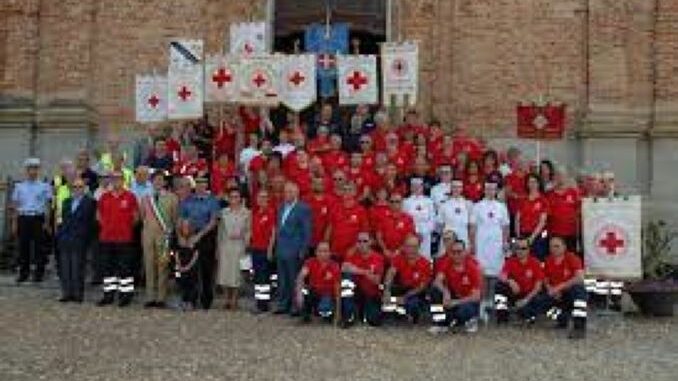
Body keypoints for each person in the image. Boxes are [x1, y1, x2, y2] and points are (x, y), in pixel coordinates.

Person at [96, 171, 139, 307]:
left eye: (119, 179)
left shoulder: (130, 196)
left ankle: (125, 296)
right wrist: (107, 226)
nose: (116, 182)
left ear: (123, 181)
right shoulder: (104, 196)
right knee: (108, 268)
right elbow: (98, 215)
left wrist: (125, 227)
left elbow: (136, 217)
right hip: (106, 238)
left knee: (125, 268)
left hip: (124, 239)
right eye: (113, 179)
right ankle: (108, 295)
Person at [178, 176, 221, 310]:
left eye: (204, 182)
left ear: (207, 184)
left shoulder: (212, 200)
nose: (201, 185)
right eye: (198, 183)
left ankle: (206, 301)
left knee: (206, 270)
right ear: (195, 185)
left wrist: (199, 235)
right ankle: (190, 299)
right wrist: (181, 236)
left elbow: (213, 221)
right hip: (189, 236)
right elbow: (181, 219)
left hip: (206, 237)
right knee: (190, 271)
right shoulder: (187, 201)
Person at [470, 181, 509, 315]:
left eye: (493, 189)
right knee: (483, 274)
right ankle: (482, 302)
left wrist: (505, 242)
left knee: (495, 274)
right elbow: (473, 227)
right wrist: (473, 244)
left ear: (496, 191)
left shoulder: (501, 207)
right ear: (484, 190)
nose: (490, 191)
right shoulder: (477, 206)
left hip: (496, 244)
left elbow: (505, 226)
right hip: (481, 243)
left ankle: (492, 302)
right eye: (487, 189)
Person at [140, 170, 178, 308]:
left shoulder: (172, 198)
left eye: (161, 179)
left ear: (165, 181)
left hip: (164, 236)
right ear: (151, 181)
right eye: (155, 179)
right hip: (148, 235)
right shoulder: (145, 198)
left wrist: (171, 234)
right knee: (149, 265)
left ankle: (161, 297)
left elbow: (175, 218)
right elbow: (142, 217)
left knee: (162, 266)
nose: (158, 182)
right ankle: (150, 297)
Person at [10, 158, 52, 283]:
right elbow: (15, 206)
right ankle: (24, 273)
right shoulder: (19, 186)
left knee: (39, 248)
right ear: (26, 170)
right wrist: (14, 222)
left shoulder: (44, 186)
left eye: (35, 169)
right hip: (23, 218)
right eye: (30, 169)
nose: (32, 171)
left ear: (38, 170)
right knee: (23, 247)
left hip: (38, 218)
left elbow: (48, 206)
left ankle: (39, 274)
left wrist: (47, 222)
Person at [273, 182, 312, 315]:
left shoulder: (303, 208)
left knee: (294, 279)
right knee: (282, 279)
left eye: (290, 192)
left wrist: (303, 249)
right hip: (281, 249)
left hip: (295, 249)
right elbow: (279, 228)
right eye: (286, 192)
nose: (287, 194)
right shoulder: (281, 207)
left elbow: (306, 231)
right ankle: (283, 304)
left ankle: (296, 305)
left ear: (296, 193)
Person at [55, 177, 96, 302]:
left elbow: (91, 223)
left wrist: (86, 238)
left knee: (77, 268)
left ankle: (78, 294)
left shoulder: (90, 202)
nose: (77, 189)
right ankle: (66, 293)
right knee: (65, 268)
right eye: (75, 187)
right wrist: (61, 235)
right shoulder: (66, 202)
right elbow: (63, 220)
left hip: (80, 239)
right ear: (71, 189)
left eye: (80, 187)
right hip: (65, 238)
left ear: (84, 189)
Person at [429, 239, 482, 334]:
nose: (456, 255)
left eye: (459, 252)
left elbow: (476, 297)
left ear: (465, 252)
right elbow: (437, 281)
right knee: (435, 290)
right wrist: (445, 292)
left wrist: (456, 302)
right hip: (453, 297)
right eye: (453, 252)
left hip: (467, 301)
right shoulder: (448, 262)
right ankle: (440, 323)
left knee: (465, 310)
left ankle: (470, 321)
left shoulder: (473, 268)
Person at [543, 236, 588, 339]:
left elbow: (579, 278)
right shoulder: (548, 260)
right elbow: (545, 278)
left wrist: (559, 287)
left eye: (557, 246)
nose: (553, 249)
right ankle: (562, 318)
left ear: (564, 247)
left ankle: (579, 327)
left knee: (579, 291)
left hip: (569, 292)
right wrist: (550, 289)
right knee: (538, 303)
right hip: (556, 294)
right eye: (551, 247)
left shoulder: (572, 258)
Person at [494, 238, 546, 324]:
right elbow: (502, 275)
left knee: (528, 310)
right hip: (516, 294)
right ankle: (502, 315)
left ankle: (525, 313)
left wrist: (526, 300)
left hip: (530, 296)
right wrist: (510, 281)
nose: (520, 251)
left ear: (529, 250)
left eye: (523, 248)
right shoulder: (511, 261)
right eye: (517, 248)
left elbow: (538, 287)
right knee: (499, 286)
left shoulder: (535, 263)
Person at [382, 234, 432, 324]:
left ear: (419, 247)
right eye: (408, 246)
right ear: (404, 247)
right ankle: (395, 313)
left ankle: (415, 314)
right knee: (384, 293)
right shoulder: (399, 258)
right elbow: (390, 273)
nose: (411, 249)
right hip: (402, 288)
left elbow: (422, 287)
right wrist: (387, 289)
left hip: (416, 292)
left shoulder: (425, 263)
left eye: (414, 247)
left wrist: (405, 297)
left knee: (413, 304)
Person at [216, 188, 251, 310]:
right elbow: (220, 231)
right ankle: (226, 298)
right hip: (225, 245)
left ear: (240, 198)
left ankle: (235, 299)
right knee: (224, 274)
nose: (234, 199)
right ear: (228, 198)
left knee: (236, 275)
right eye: (232, 197)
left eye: (236, 197)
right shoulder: (223, 212)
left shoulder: (246, 213)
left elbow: (249, 230)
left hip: (239, 246)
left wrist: (244, 239)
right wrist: (218, 248)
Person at [340, 232, 385, 327]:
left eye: (365, 241)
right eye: (359, 241)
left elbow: (377, 280)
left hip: (371, 294)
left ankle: (361, 312)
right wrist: (365, 272)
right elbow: (344, 268)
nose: (362, 244)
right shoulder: (352, 255)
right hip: (356, 293)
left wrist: (355, 269)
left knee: (374, 321)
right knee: (346, 278)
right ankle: (349, 316)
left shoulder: (378, 257)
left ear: (370, 242)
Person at [295, 241, 341, 323]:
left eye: (325, 251)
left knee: (325, 309)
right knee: (303, 291)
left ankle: (328, 313)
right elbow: (301, 276)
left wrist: (338, 314)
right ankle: (306, 314)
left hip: (328, 295)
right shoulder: (310, 262)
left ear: (330, 253)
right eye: (320, 251)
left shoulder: (335, 266)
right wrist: (299, 294)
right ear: (315, 252)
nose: (323, 254)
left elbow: (337, 290)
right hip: (314, 292)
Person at [249, 190, 277, 313]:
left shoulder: (270, 213)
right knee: (258, 276)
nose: (262, 199)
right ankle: (259, 302)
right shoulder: (256, 213)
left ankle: (263, 305)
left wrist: (270, 249)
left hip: (265, 249)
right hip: (255, 248)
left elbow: (273, 232)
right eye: (260, 197)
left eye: (265, 197)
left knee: (264, 277)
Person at [546, 167, 581, 253]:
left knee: (571, 258)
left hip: (571, 233)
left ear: (566, 177)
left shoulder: (574, 192)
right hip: (555, 233)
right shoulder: (549, 194)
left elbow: (579, 212)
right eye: (557, 175)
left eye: (562, 175)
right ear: (554, 177)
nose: (560, 178)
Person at [515, 173, 549, 261]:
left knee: (537, 259)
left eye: (534, 182)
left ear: (538, 184)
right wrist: (519, 236)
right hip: (523, 234)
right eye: (530, 182)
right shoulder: (523, 199)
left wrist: (531, 238)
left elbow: (542, 222)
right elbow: (517, 219)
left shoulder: (543, 200)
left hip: (538, 236)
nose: (532, 184)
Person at [403, 178, 437, 260]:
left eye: (419, 186)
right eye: (414, 186)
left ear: (422, 187)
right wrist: (415, 233)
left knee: (425, 257)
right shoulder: (406, 202)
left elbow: (432, 219)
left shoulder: (429, 201)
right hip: (411, 235)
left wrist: (423, 232)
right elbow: (405, 219)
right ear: (411, 188)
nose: (417, 188)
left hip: (426, 234)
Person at [375, 193, 415, 262]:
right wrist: (385, 249)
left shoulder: (408, 218)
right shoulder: (383, 218)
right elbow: (379, 236)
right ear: (389, 203)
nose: (394, 203)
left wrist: (398, 251)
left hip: (403, 255)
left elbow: (409, 237)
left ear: (402, 203)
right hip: (386, 254)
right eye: (392, 201)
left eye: (397, 201)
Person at [172, 220, 200, 311]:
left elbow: (196, 254)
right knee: (180, 284)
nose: (185, 228)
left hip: (191, 267)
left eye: (188, 226)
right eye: (184, 226)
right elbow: (175, 253)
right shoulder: (177, 239)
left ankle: (191, 302)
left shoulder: (195, 239)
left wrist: (189, 266)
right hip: (180, 267)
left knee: (192, 284)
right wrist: (179, 265)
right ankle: (183, 301)